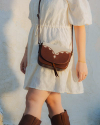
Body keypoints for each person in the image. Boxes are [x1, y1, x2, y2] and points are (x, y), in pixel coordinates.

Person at [19, 0, 92, 124]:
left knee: (33, 99)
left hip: (54, 52)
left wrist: (82, 61)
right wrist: (26, 53)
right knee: (53, 100)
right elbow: (37, 26)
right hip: (37, 52)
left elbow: (80, 25)